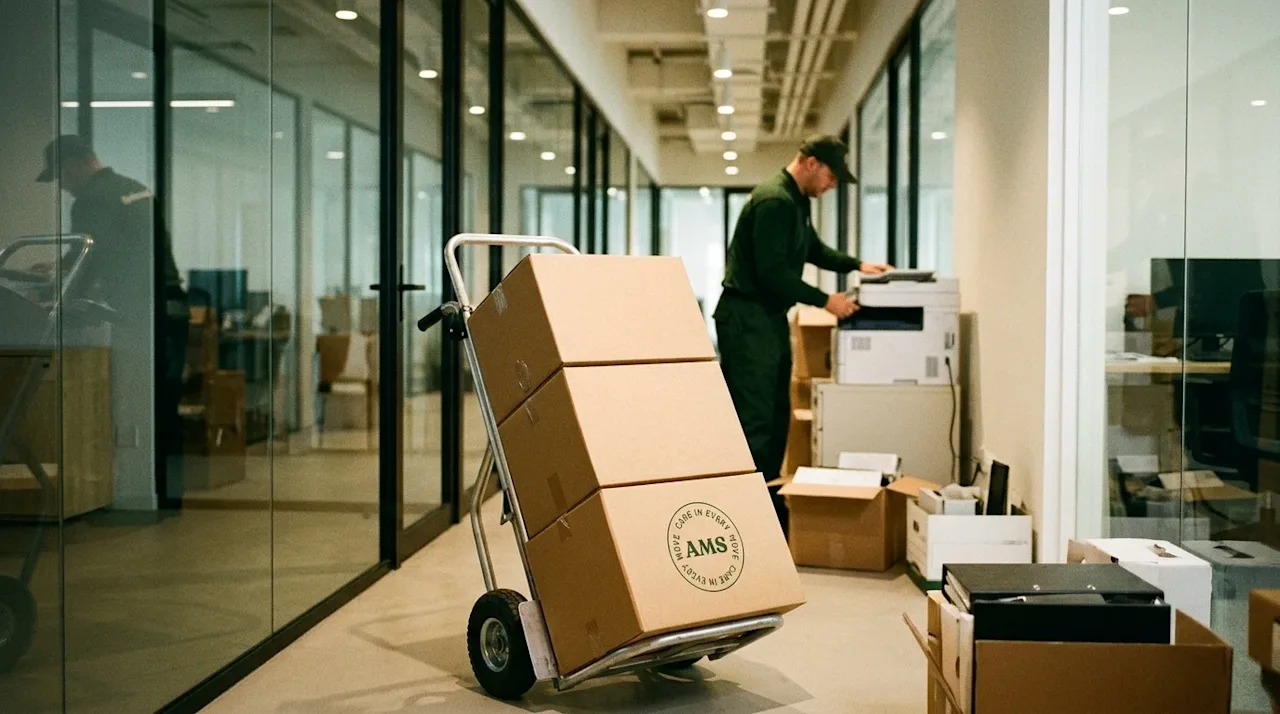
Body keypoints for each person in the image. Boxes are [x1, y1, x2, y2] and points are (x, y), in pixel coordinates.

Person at [713, 135, 892, 533]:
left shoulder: (795, 202)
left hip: (767, 319)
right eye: (831, 176)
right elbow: (773, 273)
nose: (832, 186)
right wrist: (826, 301)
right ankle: (746, 522)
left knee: (777, 420)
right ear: (810, 163)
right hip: (748, 320)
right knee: (756, 425)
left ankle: (767, 516)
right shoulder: (775, 200)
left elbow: (813, 249)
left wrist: (858, 264)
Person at [37, 135, 190, 511]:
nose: (64, 187)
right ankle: (168, 497)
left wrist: (56, 295)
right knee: (164, 402)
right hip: (171, 306)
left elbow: (86, 257)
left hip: (141, 313)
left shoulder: (91, 199)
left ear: (74, 164)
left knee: (136, 404)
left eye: (61, 177)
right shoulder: (135, 189)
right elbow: (127, 253)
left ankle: (138, 498)